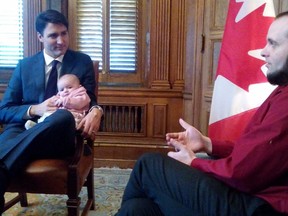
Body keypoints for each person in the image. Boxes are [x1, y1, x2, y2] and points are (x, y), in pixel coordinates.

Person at [115, 11, 288, 216]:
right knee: (139, 210)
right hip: (252, 196)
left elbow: (241, 173)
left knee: (148, 166)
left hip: (258, 208)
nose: (263, 51)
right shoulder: (282, 89)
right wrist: (208, 143)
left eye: (273, 44)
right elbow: (254, 154)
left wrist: (194, 162)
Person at [0, 9, 103, 214]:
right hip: (23, 127)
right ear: (40, 37)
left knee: (63, 117)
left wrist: (97, 110)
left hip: (58, 135)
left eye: (64, 33)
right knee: (9, 137)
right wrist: (34, 109)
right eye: (53, 35)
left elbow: (90, 100)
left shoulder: (81, 62)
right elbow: (4, 110)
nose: (60, 40)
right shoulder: (24, 66)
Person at [25, 74, 91, 129]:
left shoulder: (81, 93)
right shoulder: (60, 96)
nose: (65, 90)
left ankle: (42, 129)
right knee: (47, 115)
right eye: (62, 89)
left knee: (63, 122)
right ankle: (37, 127)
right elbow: (54, 102)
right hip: (58, 116)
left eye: (69, 87)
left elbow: (79, 103)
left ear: (79, 86)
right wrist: (54, 101)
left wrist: (64, 101)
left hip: (74, 116)